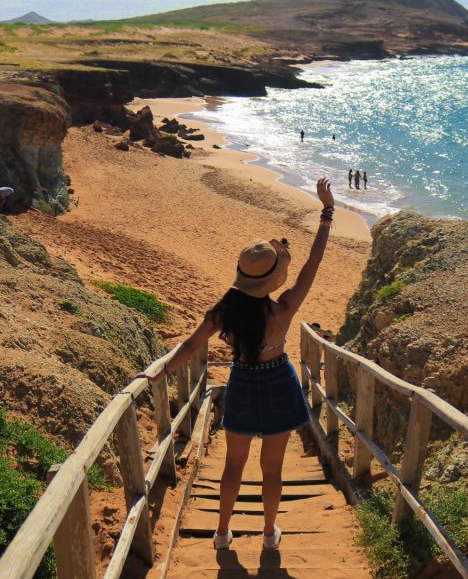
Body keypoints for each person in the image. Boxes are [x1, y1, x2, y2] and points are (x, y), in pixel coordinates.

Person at [135, 178, 336, 552]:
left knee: (233, 465)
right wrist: (327, 212)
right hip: (278, 382)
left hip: (243, 382)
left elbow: (191, 345)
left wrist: (159, 372)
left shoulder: (224, 312)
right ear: (274, 278)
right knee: (272, 469)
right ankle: (268, 535)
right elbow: (314, 261)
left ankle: (222, 534)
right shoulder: (284, 308)